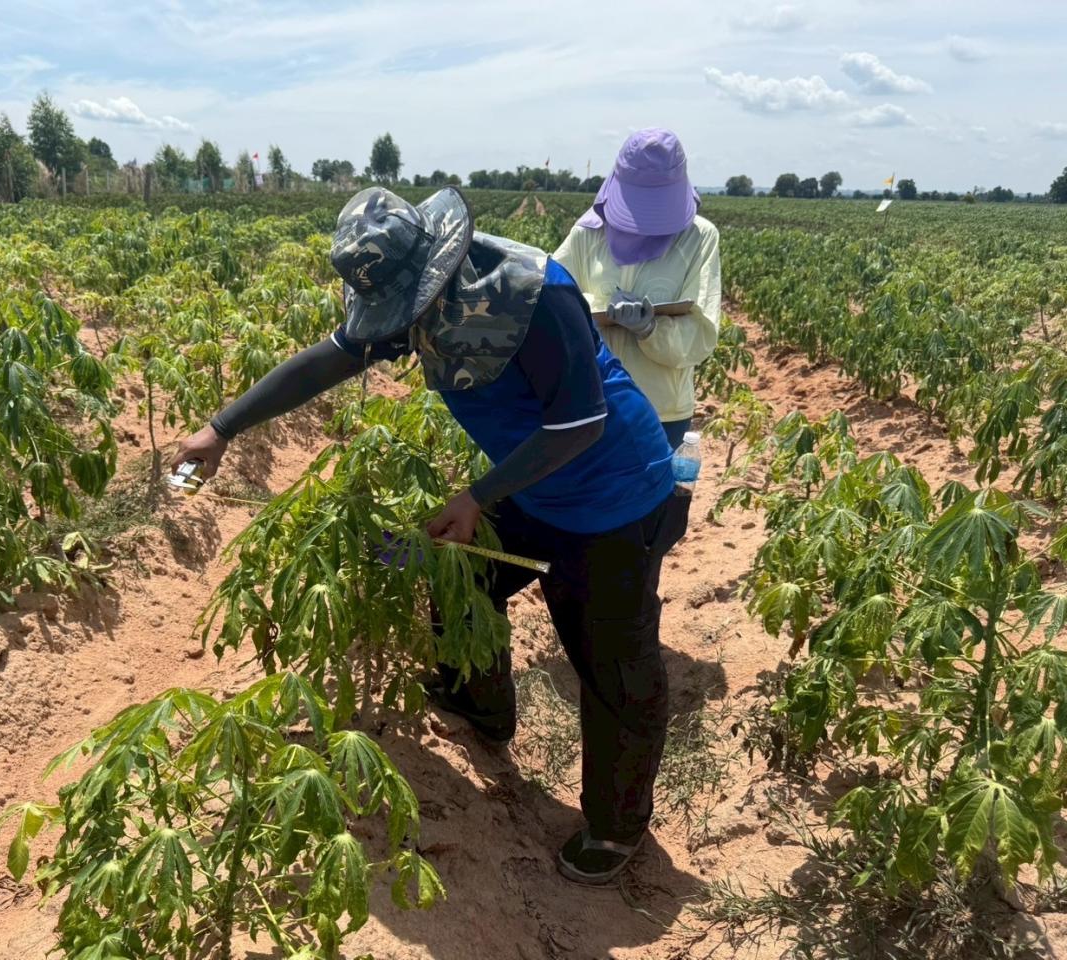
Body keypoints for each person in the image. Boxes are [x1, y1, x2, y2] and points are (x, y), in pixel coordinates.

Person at [172, 186, 688, 886]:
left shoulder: (538, 293)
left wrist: (477, 496)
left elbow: (579, 423)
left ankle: (616, 825)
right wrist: (221, 428)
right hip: (527, 482)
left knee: (613, 665)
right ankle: (481, 704)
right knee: (456, 574)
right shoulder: (407, 294)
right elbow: (330, 357)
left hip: (612, 495)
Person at [553, 128, 721, 451]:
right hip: (591, 404)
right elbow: (552, 297)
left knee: (659, 501)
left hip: (661, 410)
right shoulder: (587, 235)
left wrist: (650, 329)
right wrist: (589, 308)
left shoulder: (699, 238)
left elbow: (701, 332)